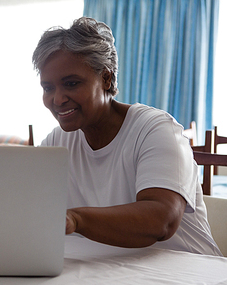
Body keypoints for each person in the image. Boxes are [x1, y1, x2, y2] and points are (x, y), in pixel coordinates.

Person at [32, 17, 222, 256]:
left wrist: (76, 219)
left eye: (71, 83)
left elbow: (161, 220)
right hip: (113, 272)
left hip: (188, 274)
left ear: (106, 78)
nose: (57, 99)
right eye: (48, 88)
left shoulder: (156, 130)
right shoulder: (56, 143)